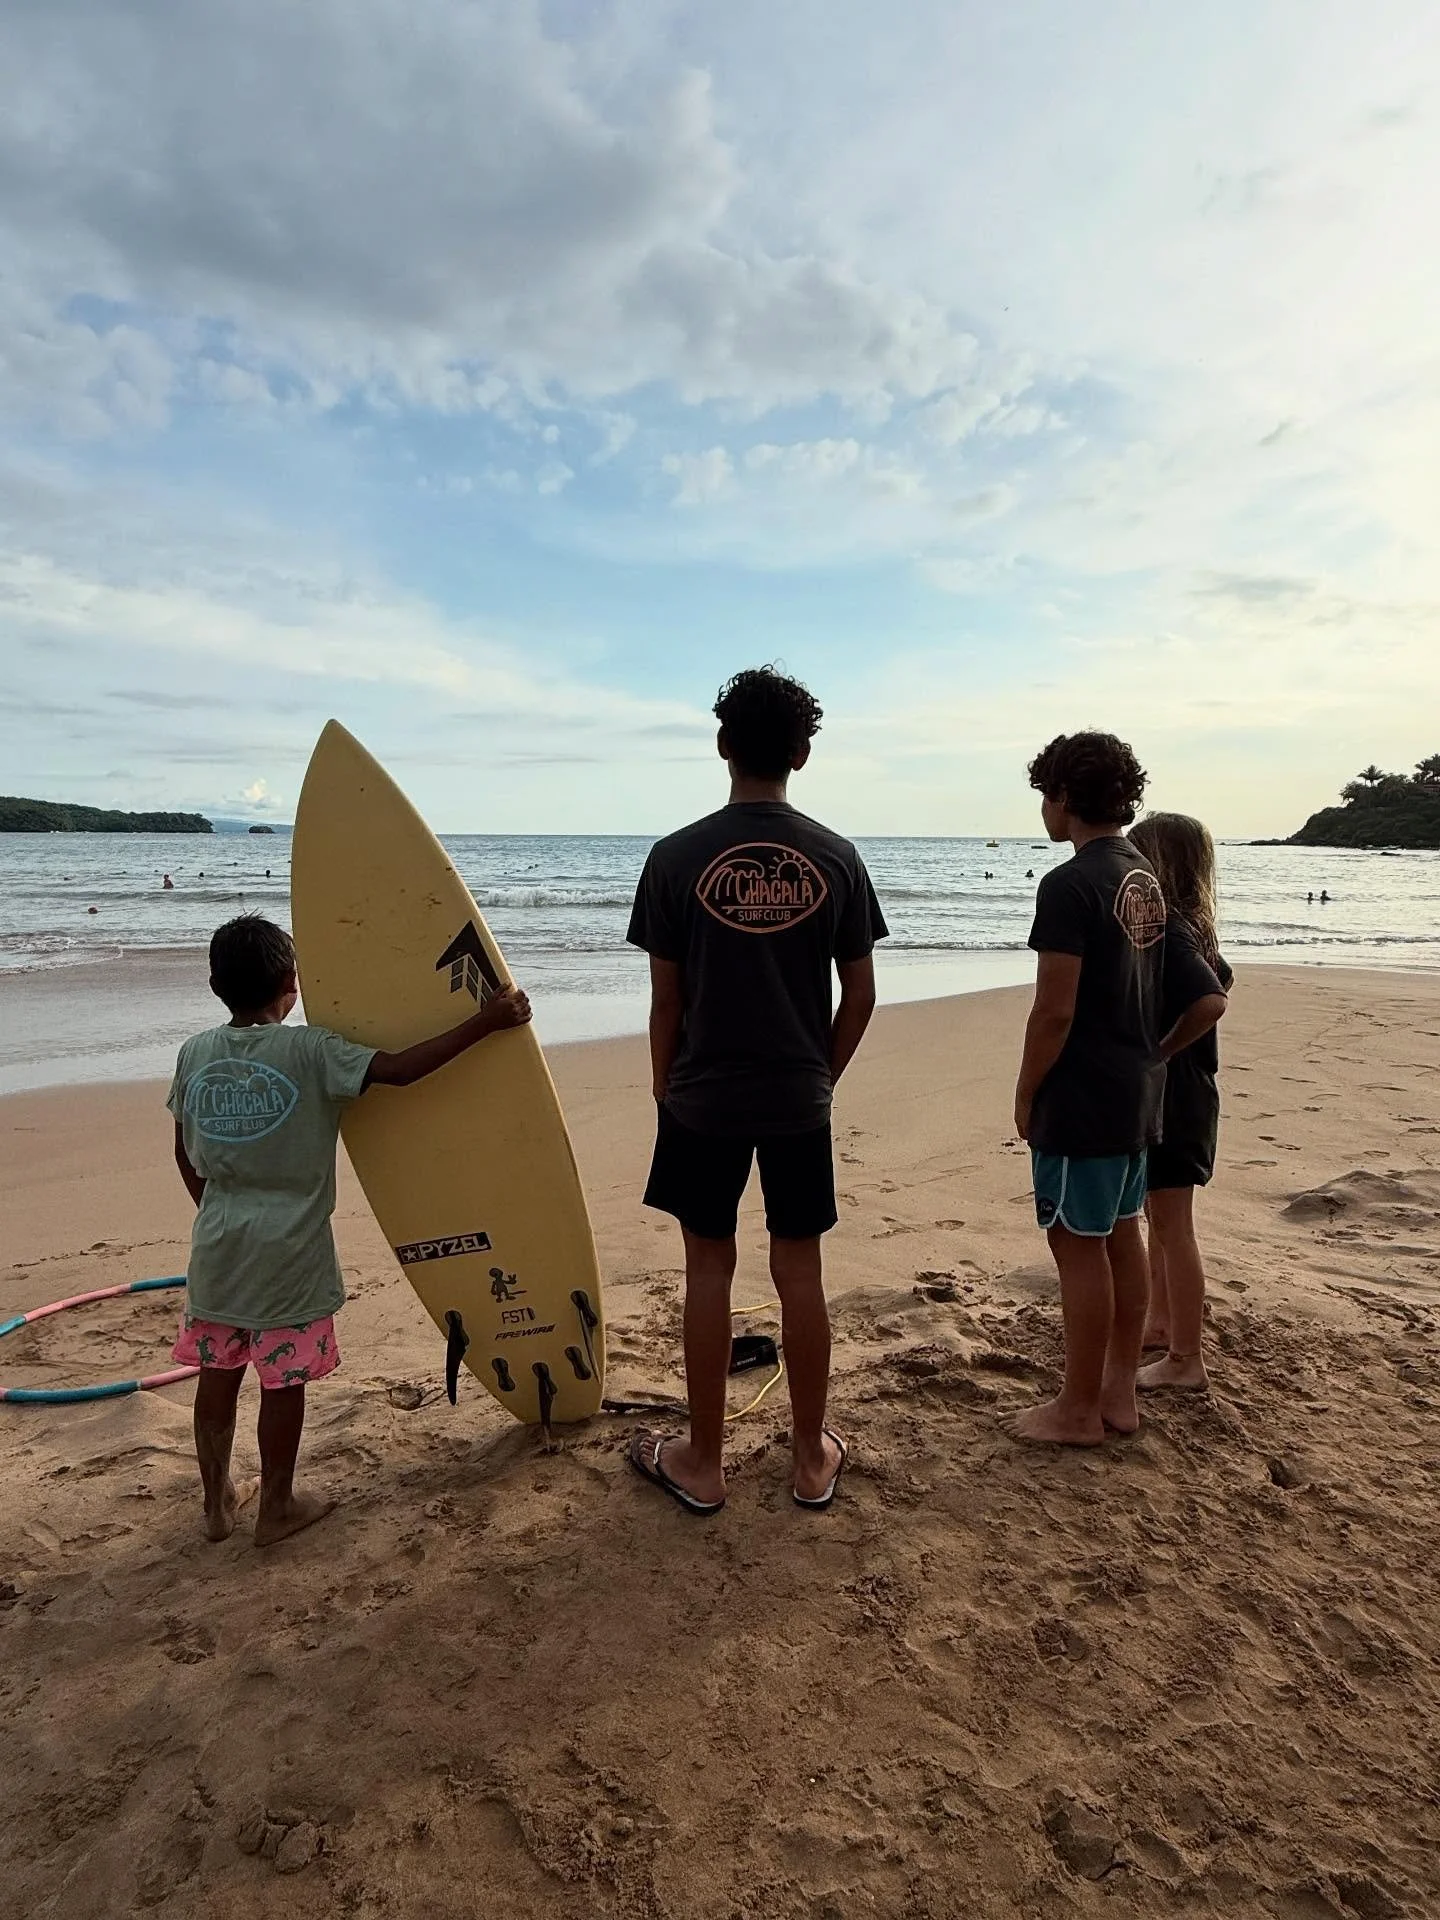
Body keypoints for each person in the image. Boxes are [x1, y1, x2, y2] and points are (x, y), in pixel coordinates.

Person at [169, 913, 531, 1545]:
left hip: (218, 1240)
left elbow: (183, 1152)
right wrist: (486, 1021)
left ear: (214, 985)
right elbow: (397, 1069)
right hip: (292, 1249)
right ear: (292, 982)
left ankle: (215, 1503)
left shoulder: (194, 1053)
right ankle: (276, 1506)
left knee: (218, 1371)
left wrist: (222, 1210)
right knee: (283, 1378)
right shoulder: (311, 1050)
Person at [626, 667, 888, 1514]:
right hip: (796, 1098)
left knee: (709, 1264)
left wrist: (667, 1084)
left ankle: (704, 1461)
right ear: (802, 753)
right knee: (799, 1270)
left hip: (701, 1095)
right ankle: (810, 1457)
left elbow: (667, 999)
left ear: (721, 744)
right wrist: (821, 1077)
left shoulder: (674, 856)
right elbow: (862, 995)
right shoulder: (838, 856)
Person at [1011, 733, 1221, 1445]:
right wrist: (1153, 1055)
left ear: (1065, 798)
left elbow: (1054, 1009)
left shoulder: (1070, 884)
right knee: (1123, 1241)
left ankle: (1076, 1409)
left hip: (1084, 1097)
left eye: (1046, 794)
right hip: (1139, 1097)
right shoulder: (1145, 876)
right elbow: (1204, 994)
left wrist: (1026, 1090)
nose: (1043, 809)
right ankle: (1117, 1394)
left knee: (1077, 1246)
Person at [1130, 816, 1231, 1390]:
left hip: (1180, 1095)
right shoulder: (1196, 925)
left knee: (1173, 1224)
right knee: (1159, 1217)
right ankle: (1161, 1323)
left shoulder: (1170, 929)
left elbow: (1212, 1001)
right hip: (1186, 1092)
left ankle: (1187, 1358)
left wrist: (1160, 1051)